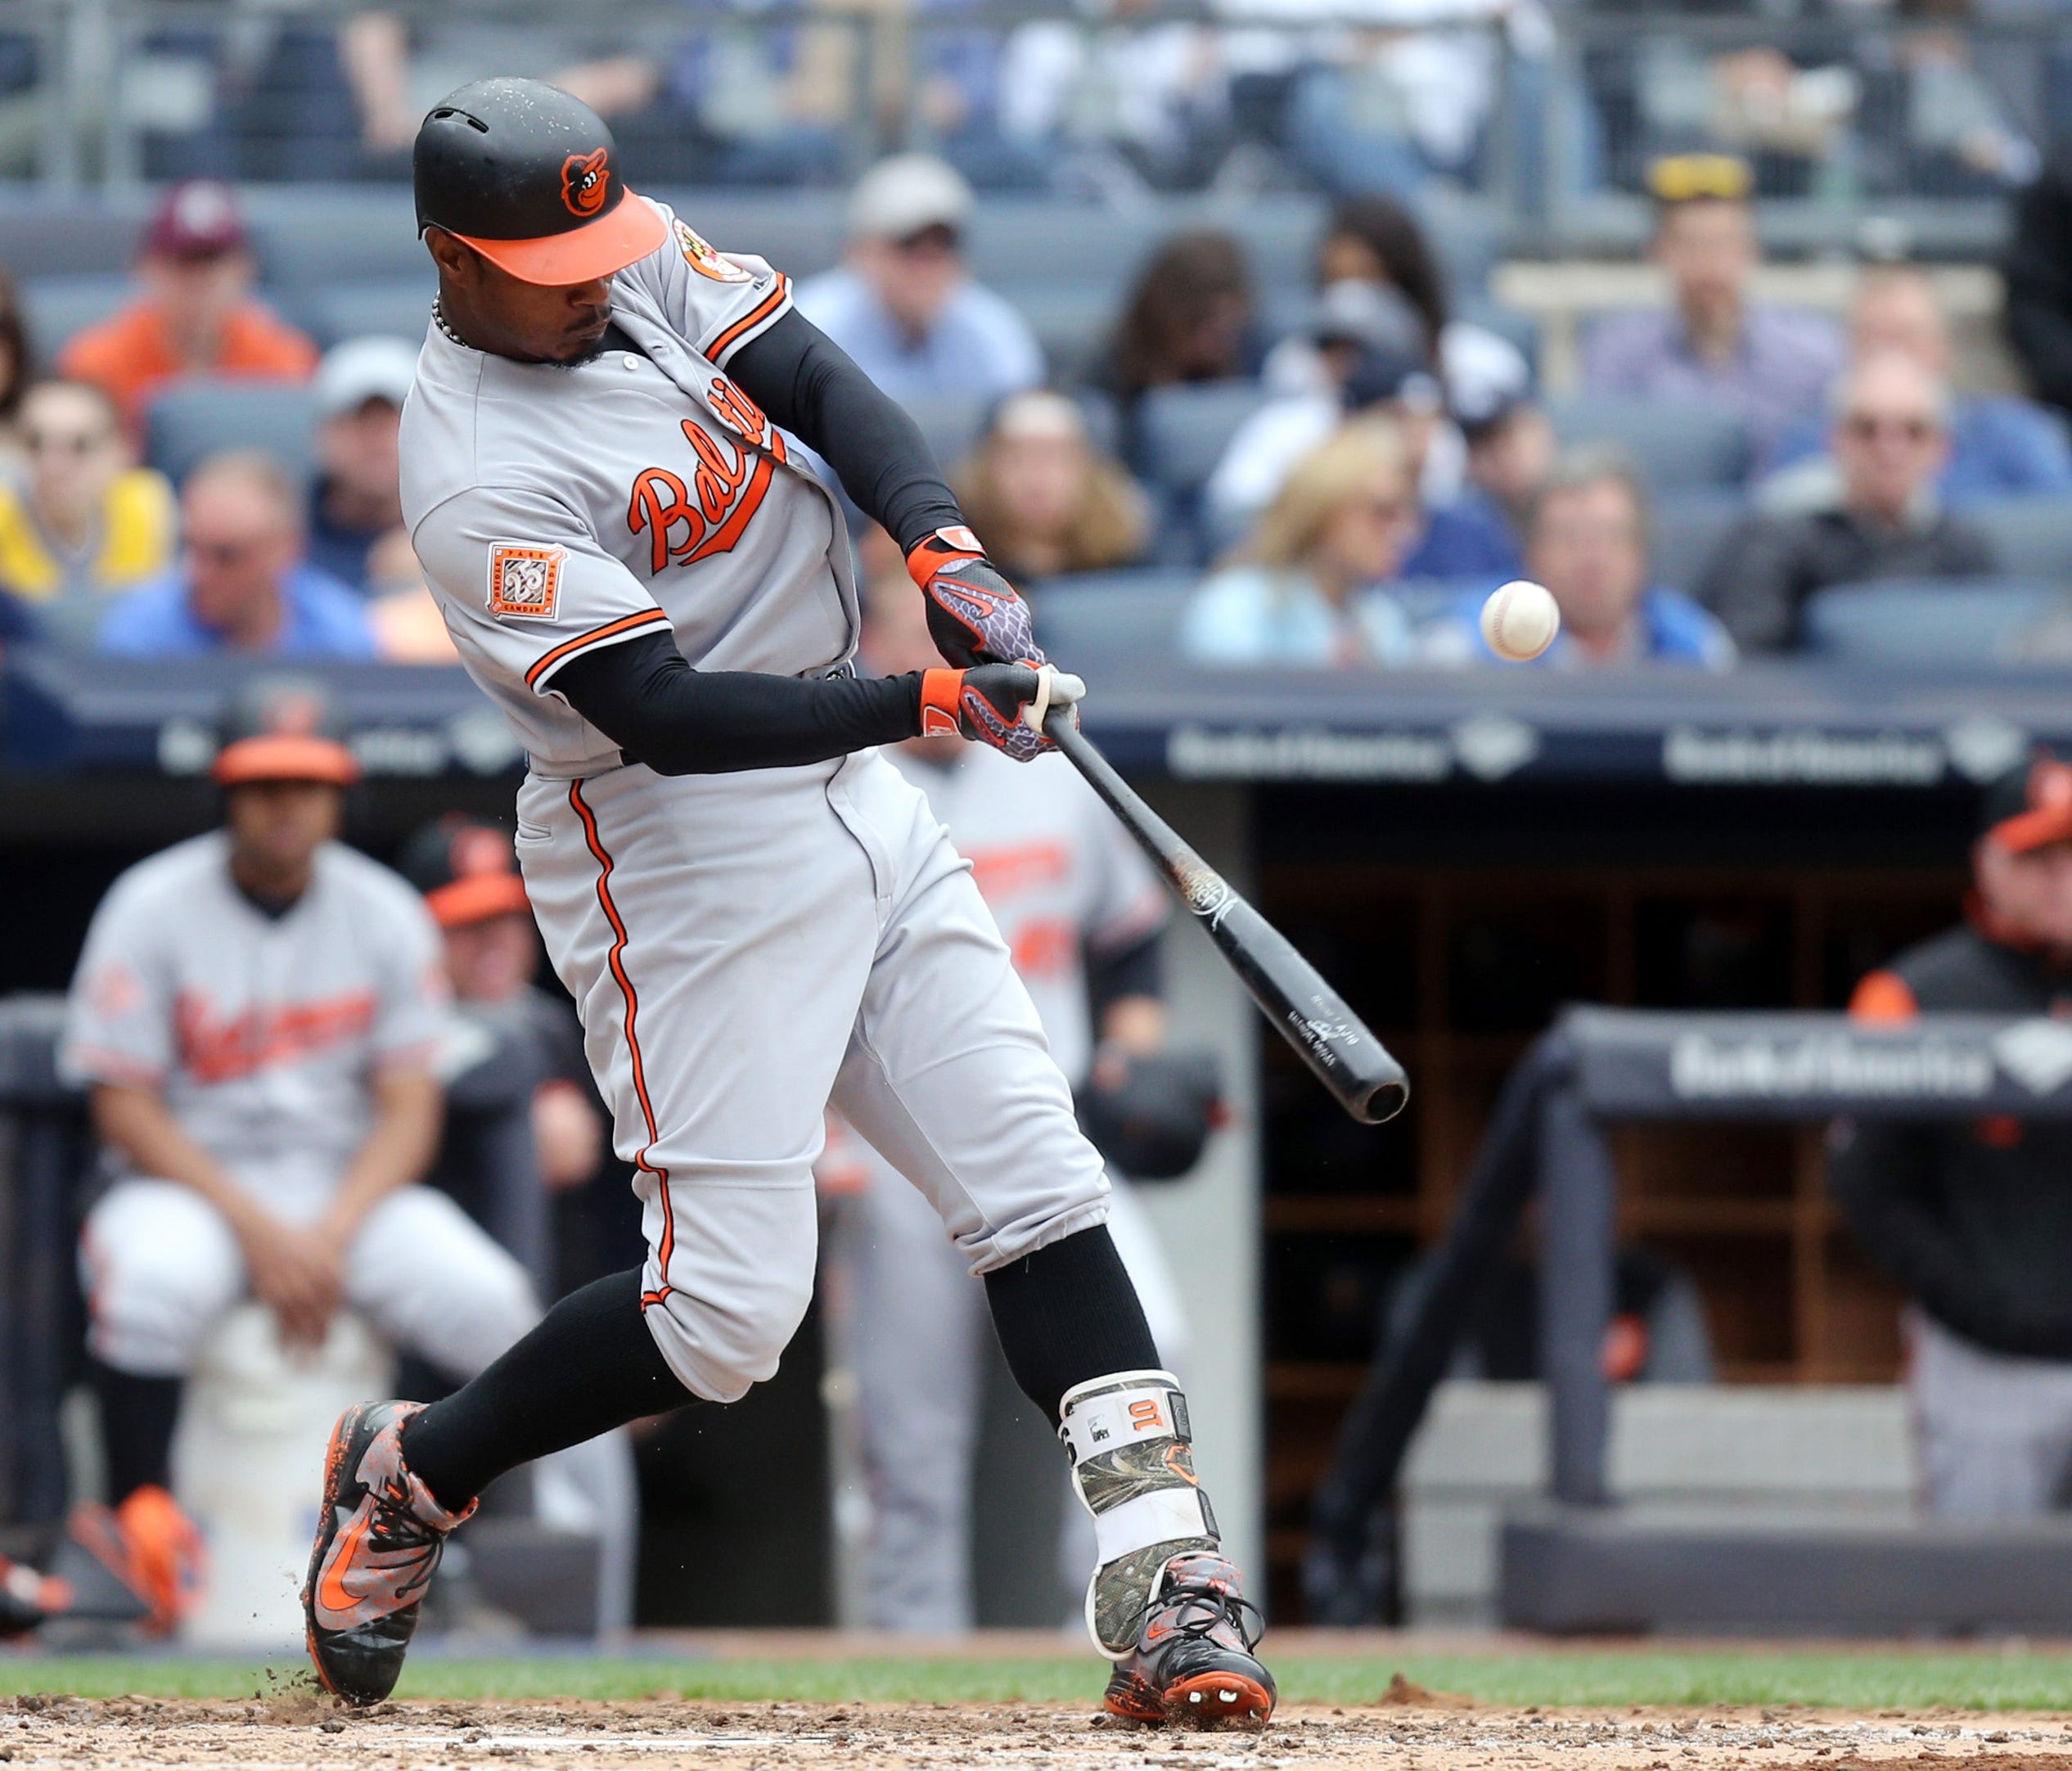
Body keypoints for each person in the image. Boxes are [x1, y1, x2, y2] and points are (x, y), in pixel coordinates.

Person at [303, 79, 1273, 1728]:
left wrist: (945, 540)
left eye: (603, 239)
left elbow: (814, 374)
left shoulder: (621, 257)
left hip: (850, 788)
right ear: (455, 263)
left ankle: (1173, 1587)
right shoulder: (472, 471)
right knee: (727, 1314)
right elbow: (667, 707)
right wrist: (931, 703)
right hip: (677, 847)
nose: (600, 276)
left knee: (1039, 1179)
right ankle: (414, 1470)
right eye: (554, 259)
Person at [61, 678, 541, 1632]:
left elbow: (410, 1108)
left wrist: (326, 1230)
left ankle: (473, 1550)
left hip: (342, 1188)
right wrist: (260, 1230)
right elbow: (123, 1104)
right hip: (189, 1183)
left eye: (307, 783)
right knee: (151, 1283)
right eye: (264, 783)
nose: (286, 804)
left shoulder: (384, 913)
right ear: (226, 793)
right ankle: (137, 1537)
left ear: (341, 794)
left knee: (490, 1300)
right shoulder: (150, 902)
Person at [828, 568, 1206, 1632]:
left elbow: (1129, 953)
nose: (926, 653)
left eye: (940, 638)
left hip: (1051, 1136)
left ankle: (1113, 1625)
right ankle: (911, 1670)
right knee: (912, 1443)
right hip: (897, 1153)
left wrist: (1129, 1066)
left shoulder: (1049, 774)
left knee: (1150, 1353)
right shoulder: (834, 783)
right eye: (901, 635)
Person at [1833, 752, 2072, 1517]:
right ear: (1988, 863)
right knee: (1983, 1618)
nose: (2062, 876)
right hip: (1987, 1371)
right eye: (2038, 857)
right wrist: (1983, 1312)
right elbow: (1867, 1185)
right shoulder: (1912, 992)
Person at [1696, 352, 1997, 653]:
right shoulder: (1774, 541)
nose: (1889, 449)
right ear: (1836, 439)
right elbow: (1744, 665)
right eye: (1867, 429)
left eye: (1912, 431)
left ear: (1941, 448)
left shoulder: (1964, 548)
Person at [1581, 153, 1844, 462]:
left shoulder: (1814, 357)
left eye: (1722, 244)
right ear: (1658, 252)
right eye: (1690, 246)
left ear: (1752, 249)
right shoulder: (1618, 357)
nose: (1708, 266)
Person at [1209, 340, 1521, 579]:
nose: (1419, 438)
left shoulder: (1467, 528)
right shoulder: (1245, 606)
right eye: (1397, 419)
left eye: (1431, 420)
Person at [1760, 265, 2072, 503]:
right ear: (1850, 351)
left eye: (1907, 335)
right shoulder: (1806, 441)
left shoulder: (2016, 435)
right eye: (1876, 338)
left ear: (1943, 348)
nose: (1894, 353)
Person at [1425, 448, 1735, 670]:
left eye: (1609, 536)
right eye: (1569, 538)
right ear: (1530, 552)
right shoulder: (1467, 645)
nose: (1591, 558)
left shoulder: (1697, 645)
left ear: (1641, 551)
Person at [59, 181, 318, 433]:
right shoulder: (98, 363)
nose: (198, 282)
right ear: (146, 269)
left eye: (212, 264)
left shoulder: (283, 360)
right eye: (182, 264)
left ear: (245, 269)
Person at [794, 155, 1043, 408]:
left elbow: (1024, 430)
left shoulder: (990, 328)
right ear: (859, 253)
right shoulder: (813, 328)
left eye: (944, 246)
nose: (927, 266)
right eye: (908, 246)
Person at [1181, 420, 1420, 667]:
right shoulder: (1233, 609)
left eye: (1409, 512)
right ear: (1323, 512)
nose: (1405, 532)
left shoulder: (1383, 621)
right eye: (1383, 512)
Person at [97, 451, 375, 659]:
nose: (198, 572)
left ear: (286, 549)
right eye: (191, 547)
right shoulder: (140, 634)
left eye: (226, 556)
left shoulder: (341, 636)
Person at [0, 380, 175, 607]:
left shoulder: (148, 504)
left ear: (122, 451)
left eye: (80, 446)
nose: (53, 465)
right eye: (35, 443)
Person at [951, 390, 1149, 583]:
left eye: (1056, 458)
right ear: (984, 469)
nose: (1037, 476)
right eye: (1017, 458)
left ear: (1090, 471)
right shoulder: (950, 569)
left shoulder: (1129, 566)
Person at [1102, 230, 1258, 462]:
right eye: (1201, 322)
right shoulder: (1109, 374)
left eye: (1227, 327)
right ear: (1165, 313)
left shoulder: (1249, 354)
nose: (1214, 341)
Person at [307, 337, 417, 593]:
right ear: (323, 435)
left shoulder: (458, 536)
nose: (376, 441)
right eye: (359, 421)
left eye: (391, 422)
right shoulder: (286, 533)